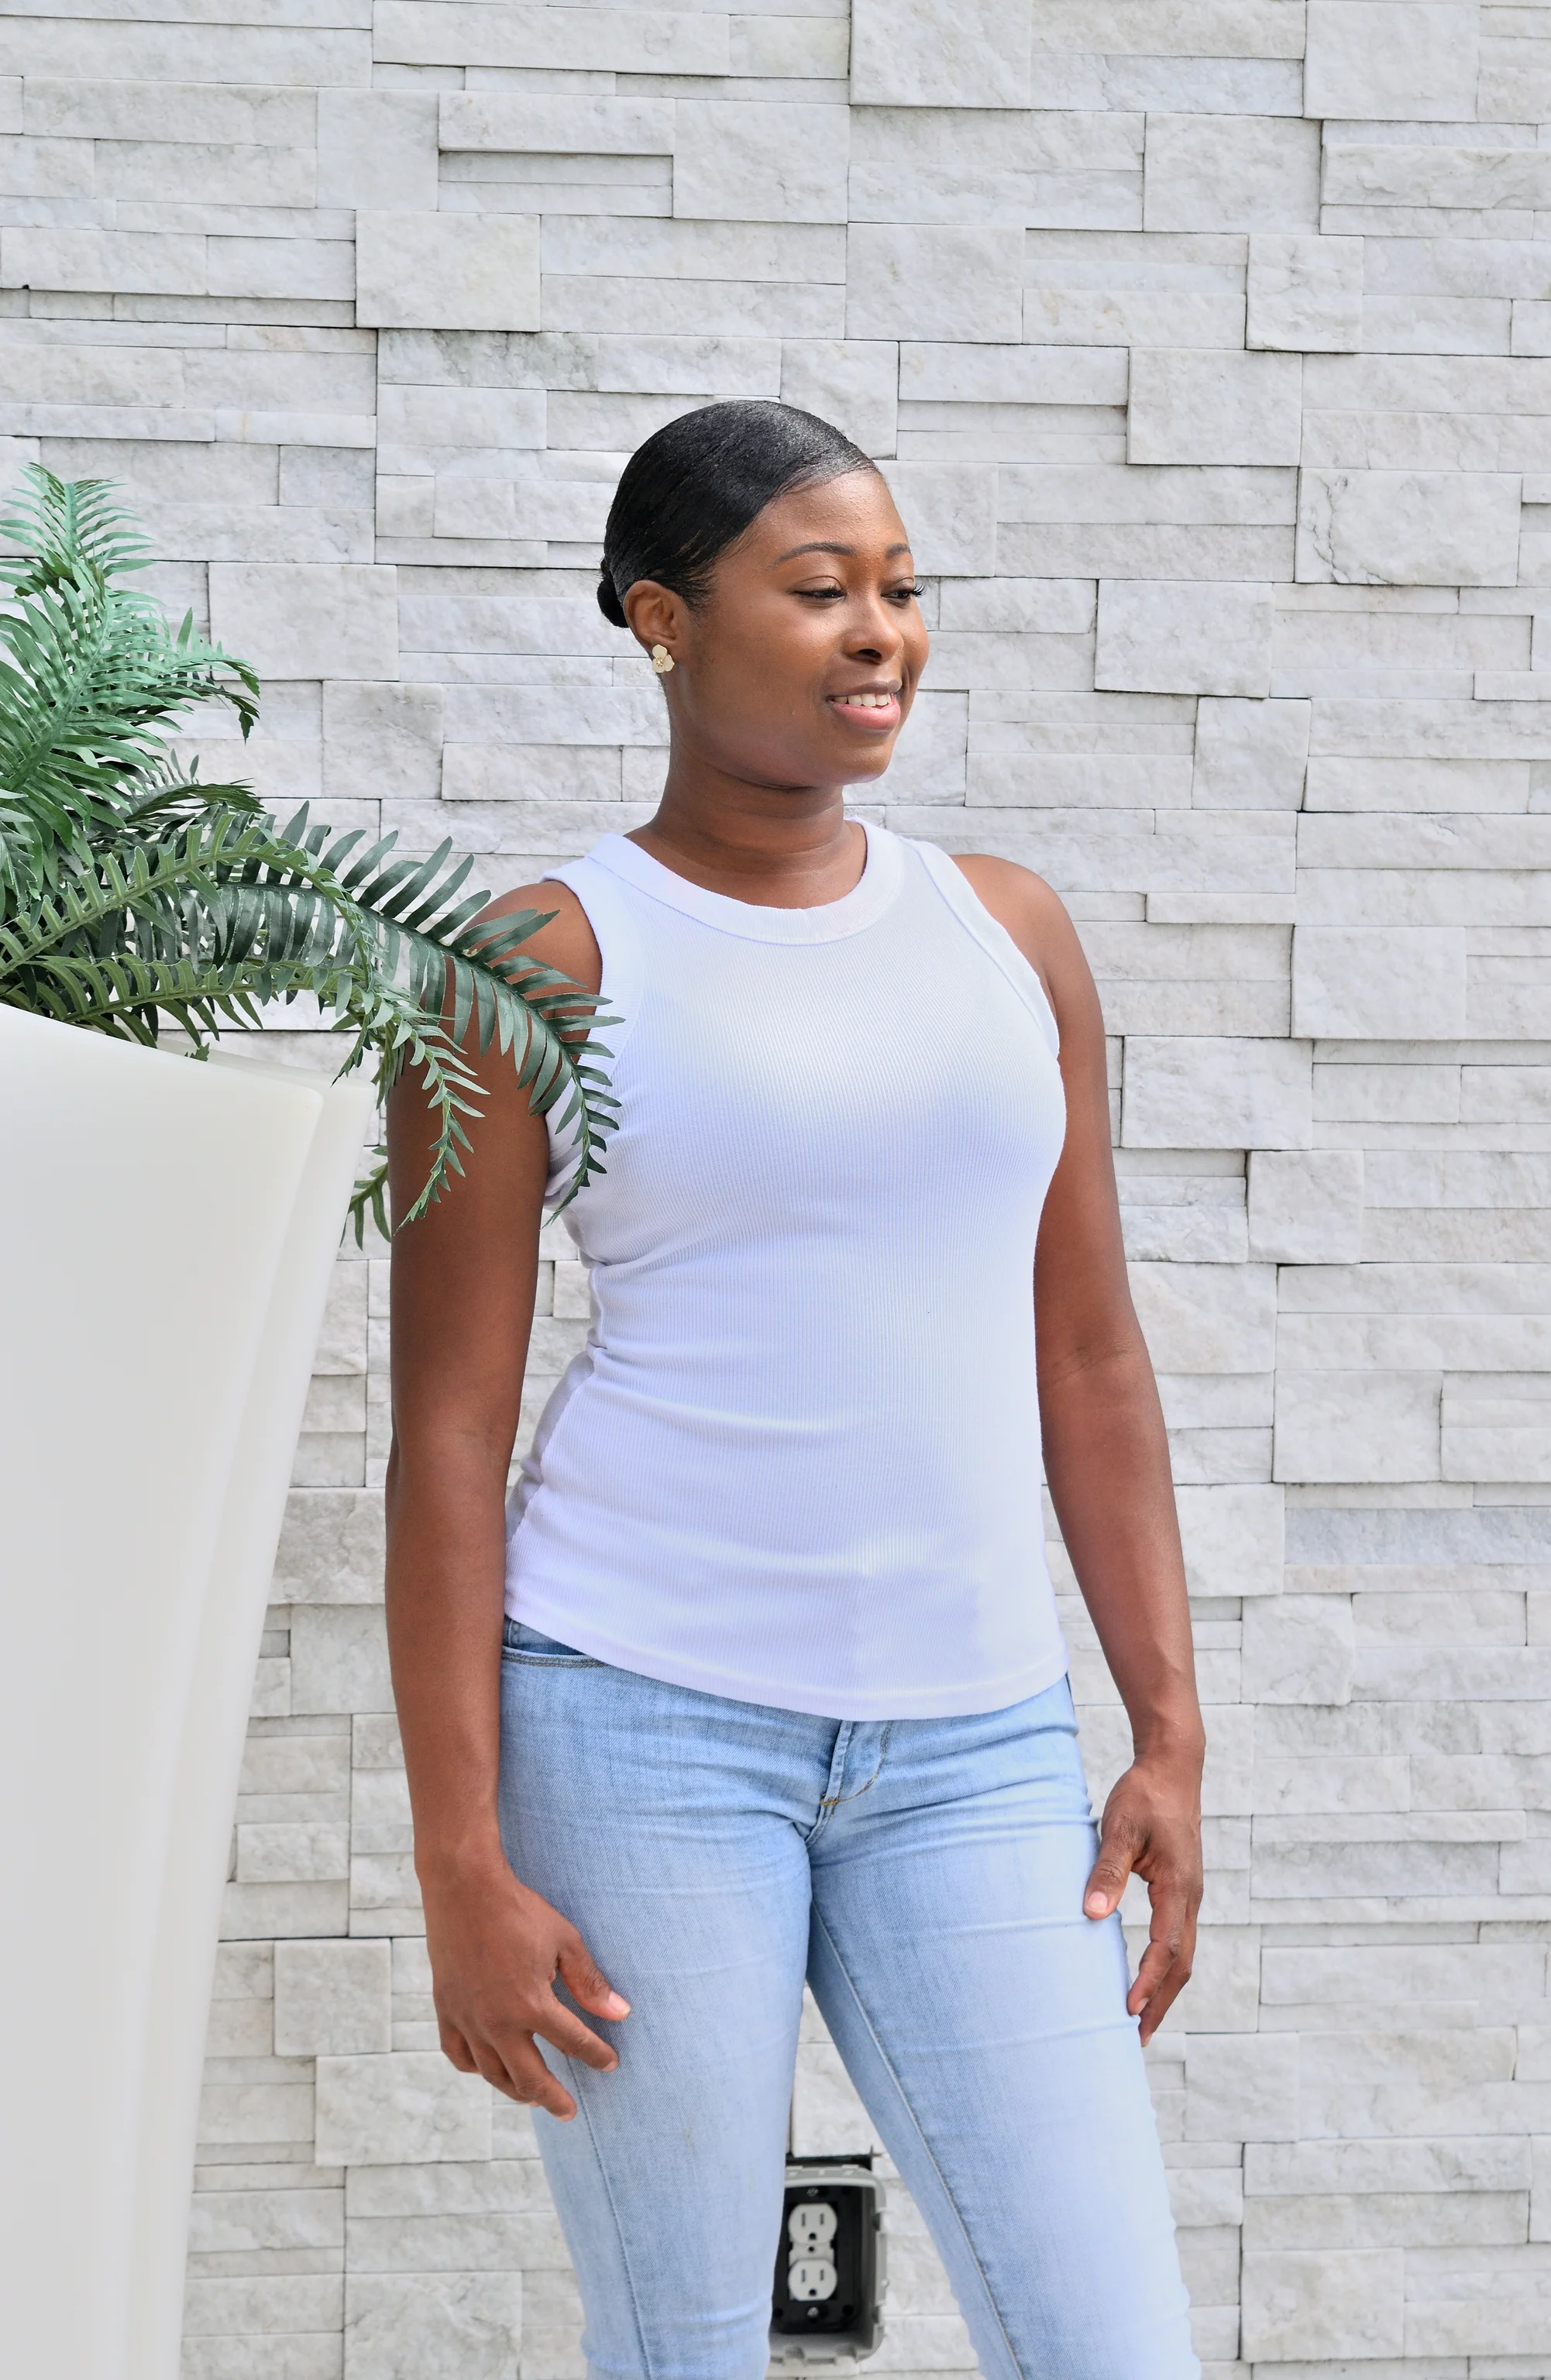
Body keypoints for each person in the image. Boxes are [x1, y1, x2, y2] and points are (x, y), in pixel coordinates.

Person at [385, 400, 1205, 2380]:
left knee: (1110, 2342)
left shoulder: (1006, 934)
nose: (878, 635)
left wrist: (1166, 1726)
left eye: (902, 593)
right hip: (640, 1729)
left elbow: (1086, 1352)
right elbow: (443, 1439)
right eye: (819, 589)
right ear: (663, 621)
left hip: (979, 1749)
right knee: (683, 2349)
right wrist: (460, 1864)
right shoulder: (537, 960)